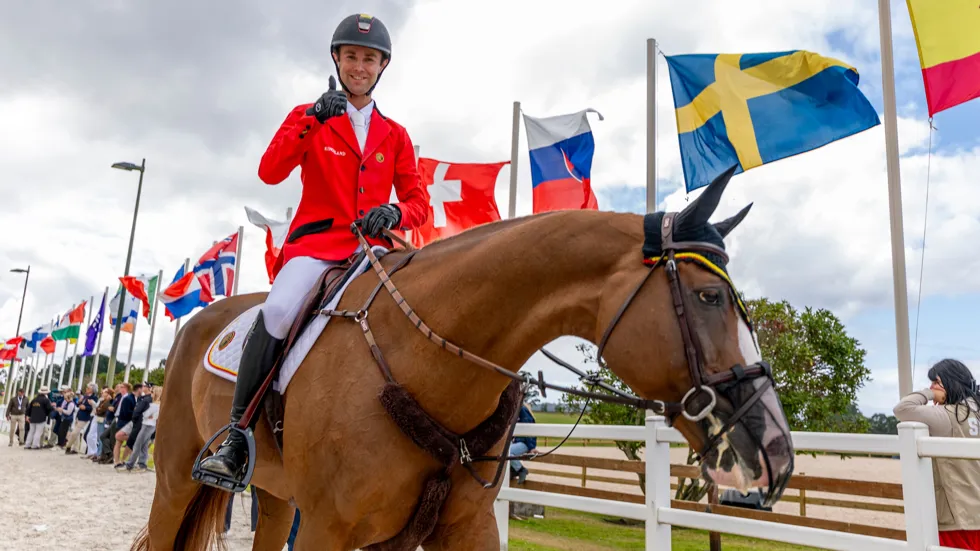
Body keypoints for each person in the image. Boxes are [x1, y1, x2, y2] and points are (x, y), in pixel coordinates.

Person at [196, 12, 429, 486]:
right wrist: (311, 119)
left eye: (368, 58)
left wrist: (396, 215)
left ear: (382, 65)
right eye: (351, 57)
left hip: (373, 251)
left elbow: (418, 201)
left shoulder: (397, 135)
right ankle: (237, 435)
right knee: (280, 310)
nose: (359, 66)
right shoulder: (311, 116)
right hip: (318, 245)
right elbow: (269, 171)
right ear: (337, 60)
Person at [894, 359, 980, 549]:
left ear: (949, 383)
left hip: (957, 514)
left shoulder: (947, 415)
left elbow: (902, 409)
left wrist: (929, 394)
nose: (931, 386)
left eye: (935, 382)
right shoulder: (976, 411)